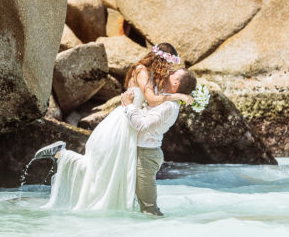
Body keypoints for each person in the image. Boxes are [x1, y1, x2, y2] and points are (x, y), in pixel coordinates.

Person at [36, 43, 193, 212]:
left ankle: (117, 214)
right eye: (169, 64)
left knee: (112, 169)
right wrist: (177, 96)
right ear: (162, 60)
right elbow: (152, 99)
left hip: (131, 124)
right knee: (102, 167)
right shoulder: (142, 70)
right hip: (123, 122)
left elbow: (162, 95)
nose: (169, 69)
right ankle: (63, 156)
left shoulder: (153, 76)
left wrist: (184, 93)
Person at [122, 67, 197, 215]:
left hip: (145, 156)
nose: (169, 72)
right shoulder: (162, 97)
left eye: (173, 73)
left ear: (175, 83)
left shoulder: (168, 106)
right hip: (140, 152)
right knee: (136, 204)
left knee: (149, 208)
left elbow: (141, 125)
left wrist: (129, 105)